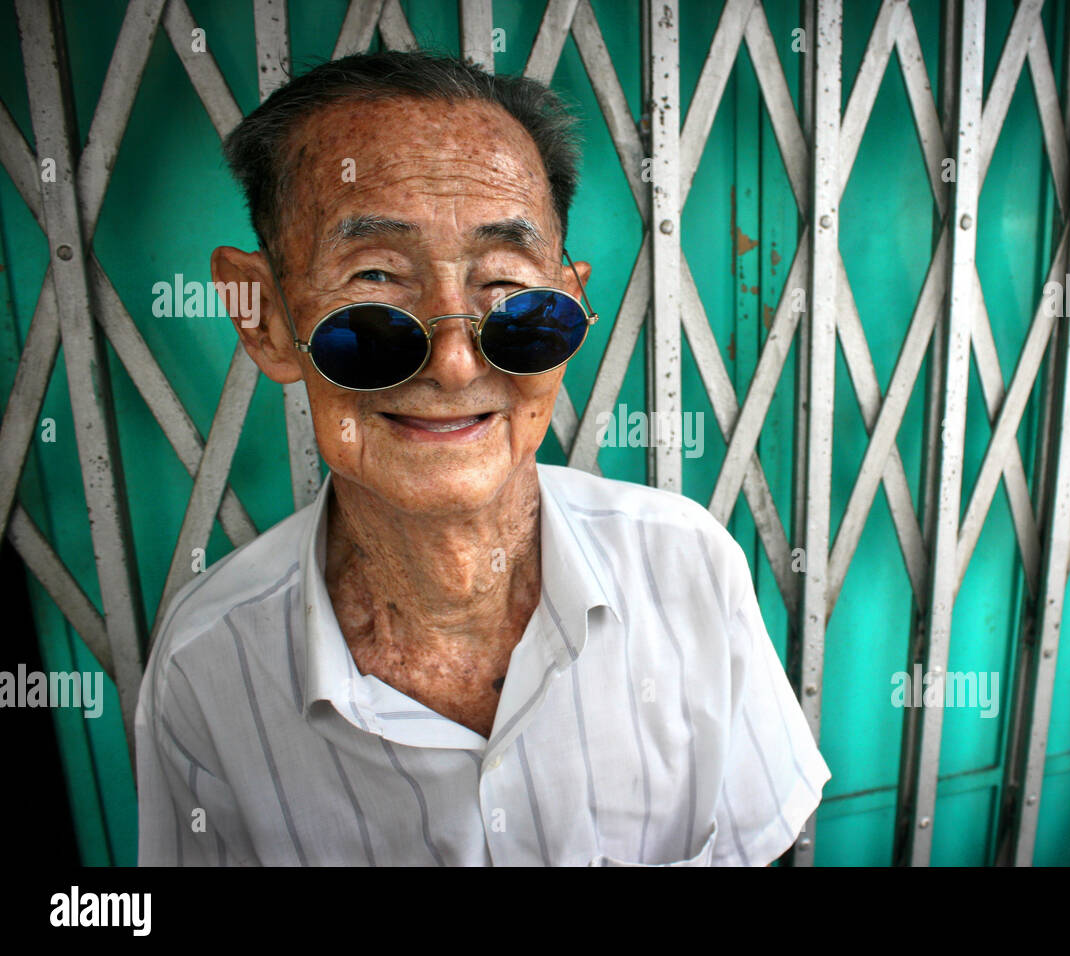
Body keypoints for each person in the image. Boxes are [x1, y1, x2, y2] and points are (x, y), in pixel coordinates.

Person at [135, 50, 830, 866]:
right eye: (376, 281)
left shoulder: (690, 569)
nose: (457, 364)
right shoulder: (206, 673)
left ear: (566, 308)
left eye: (506, 291)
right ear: (264, 319)